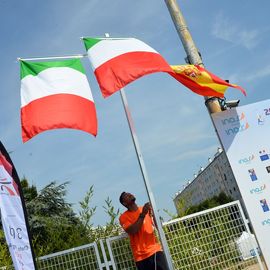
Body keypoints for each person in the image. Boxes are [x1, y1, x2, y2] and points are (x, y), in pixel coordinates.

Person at [119, 192, 169, 270]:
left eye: (129, 193)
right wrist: (143, 214)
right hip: (140, 257)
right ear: (124, 203)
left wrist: (154, 213)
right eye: (126, 196)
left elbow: (158, 225)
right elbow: (132, 230)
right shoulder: (123, 217)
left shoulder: (144, 209)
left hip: (155, 251)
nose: (130, 195)